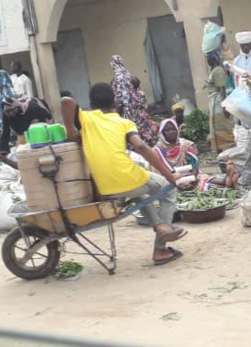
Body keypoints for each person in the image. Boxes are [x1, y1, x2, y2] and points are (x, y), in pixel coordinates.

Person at [63, 83, 190, 265]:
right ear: (115, 101)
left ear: (91, 104)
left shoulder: (85, 119)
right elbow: (140, 146)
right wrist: (170, 176)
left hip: (104, 187)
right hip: (127, 178)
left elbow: (66, 101)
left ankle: (158, 225)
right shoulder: (124, 123)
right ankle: (161, 248)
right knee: (168, 189)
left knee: (140, 193)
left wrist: (71, 132)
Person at [109, 56, 158, 146]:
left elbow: (121, 97)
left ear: (112, 64)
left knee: (131, 130)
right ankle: (146, 144)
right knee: (140, 127)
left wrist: (117, 114)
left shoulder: (118, 77)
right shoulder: (128, 74)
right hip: (136, 108)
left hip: (127, 109)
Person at [205, 52, 235, 152]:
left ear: (213, 59)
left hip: (218, 103)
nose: (207, 60)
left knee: (223, 127)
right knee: (216, 128)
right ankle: (221, 150)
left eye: (208, 58)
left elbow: (222, 89)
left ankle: (228, 149)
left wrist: (224, 106)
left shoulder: (218, 71)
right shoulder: (214, 70)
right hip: (214, 104)